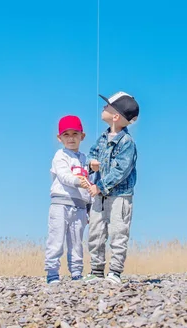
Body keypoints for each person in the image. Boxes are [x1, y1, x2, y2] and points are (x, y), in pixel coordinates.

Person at [80, 91, 139, 285]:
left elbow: (121, 170)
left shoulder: (127, 142)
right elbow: (91, 155)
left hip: (119, 196)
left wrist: (100, 186)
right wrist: (91, 164)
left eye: (107, 106)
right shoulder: (102, 138)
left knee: (118, 232)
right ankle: (96, 270)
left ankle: (115, 271)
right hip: (99, 196)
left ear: (116, 116)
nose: (103, 108)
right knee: (96, 232)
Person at [44, 115, 91, 285]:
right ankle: (52, 273)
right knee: (56, 239)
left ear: (82, 136)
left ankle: (77, 273)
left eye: (75, 134)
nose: (71, 138)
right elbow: (64, 176)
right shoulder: (60, 155)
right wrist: (79, 181)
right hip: (60, 203)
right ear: (59, 138)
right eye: (66, 135)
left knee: (77, 241)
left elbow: (89, 184)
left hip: (79, 206)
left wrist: (89, 207)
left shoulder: (86, 159)